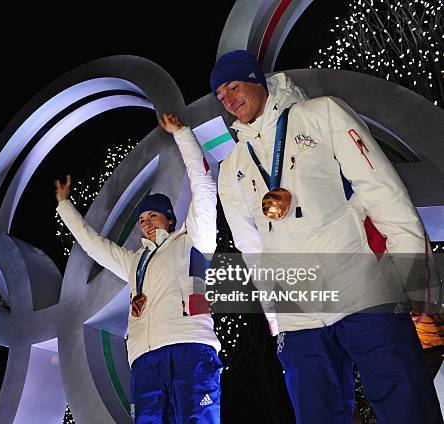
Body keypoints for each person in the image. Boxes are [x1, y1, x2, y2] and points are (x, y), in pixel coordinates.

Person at [211, 50, 441, 423]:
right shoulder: (231, 168)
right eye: (220, 96)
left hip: (360, 286)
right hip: (297, 311)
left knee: (405, 402)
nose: (228, 99)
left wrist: (415, 284)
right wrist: (276, 316)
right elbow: (251, 248)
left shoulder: (321, 114)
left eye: (234, 86)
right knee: (316, 414)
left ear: (256, 80)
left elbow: (382, 191)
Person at [55, 113, 222, 423]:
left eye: (153, 216)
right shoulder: (135, 261)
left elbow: (204, 187)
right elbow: (94, 246)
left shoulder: (194, 239)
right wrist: (65, 206)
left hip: (189, 346)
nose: (146, 224)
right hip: (144, 359)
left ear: (169, 219)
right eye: (142, 220)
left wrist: (182, 135)